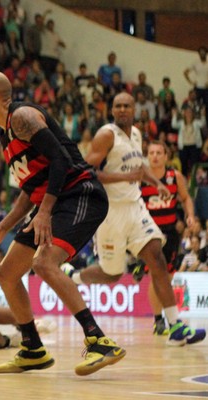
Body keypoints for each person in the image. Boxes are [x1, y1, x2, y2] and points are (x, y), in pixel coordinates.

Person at [0, 71, 124, 376]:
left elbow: (60, 160)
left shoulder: (22, 116)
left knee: (44, 263)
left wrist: (44, 212)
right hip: (54, 202)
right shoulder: (6, 137)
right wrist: (1, 229)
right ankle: (32, 349)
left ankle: (99, 341)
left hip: (81, 193)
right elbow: (30, 190)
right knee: (7, 272)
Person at [66, 93, 206, 348]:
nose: (122, 109)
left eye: (126, 106)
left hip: (135, 207)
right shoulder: (106, 135)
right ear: (112, 110)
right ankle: (73, 276)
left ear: (134, 109)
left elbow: (139, 168)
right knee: (112, 274)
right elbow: (86, 171)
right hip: (110, 213)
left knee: (158, 258)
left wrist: (157, 183)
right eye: (117, 106)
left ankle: (175, 326)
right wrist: (122, 177)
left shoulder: (137, 135)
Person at [132, 141, 197, 335]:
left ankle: (139, 265)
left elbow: (185, 198)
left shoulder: (174, 177)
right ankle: (158, 320)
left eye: (159, 153)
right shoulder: (140, 179)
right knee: (156, 275)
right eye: (151, 153)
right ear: (147, 156)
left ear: (166, 156)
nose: (155, 156)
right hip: (150, 232)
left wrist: (190, 215)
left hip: (170, 233)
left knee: (167, 278)